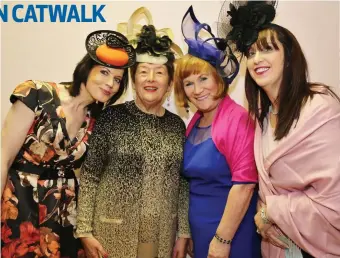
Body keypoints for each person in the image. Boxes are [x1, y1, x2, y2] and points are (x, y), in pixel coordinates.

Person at [0, 30, 136, 257]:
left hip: (65, 211)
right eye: (104, 72)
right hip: (21, 204)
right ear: (86, 69)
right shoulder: (37, 94)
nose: (110, 83)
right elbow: (3, 157)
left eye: (117, 79)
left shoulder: (97, 120)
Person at [225, 1, 340, 257]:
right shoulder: (263, 118)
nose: (257, 59)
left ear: (289, 56)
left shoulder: (320, 108)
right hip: (279, 247)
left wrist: (269, 211)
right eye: (251, 53)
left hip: (319, 248)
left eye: (267, 50)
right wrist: (263, 211)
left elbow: (334, 201)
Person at [76, 23, 190, 258]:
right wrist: (84, 231)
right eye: (143, 71)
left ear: (169, 84)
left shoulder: (177, 126)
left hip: (162, 235)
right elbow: (90, 175)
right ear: (133, 78)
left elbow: (181, 183)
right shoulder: (111, 117)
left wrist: (184, 232)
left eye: (159, 72)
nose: (151, 79)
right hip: (111, 233)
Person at [173, 6, 261, 258]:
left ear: (219, 78)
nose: (197, 89)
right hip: (202, 231)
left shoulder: (237, 119)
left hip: (232, 233)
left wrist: (222, 239)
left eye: (203, 79)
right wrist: (189, 232)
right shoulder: (195, 122)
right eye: (188, 83)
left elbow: (244, 186)